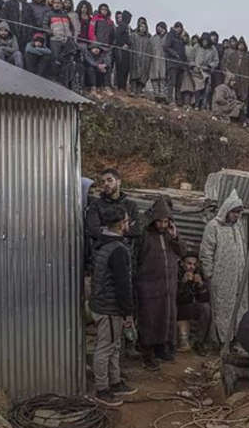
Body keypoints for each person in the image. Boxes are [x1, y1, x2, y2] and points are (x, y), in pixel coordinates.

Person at [89, 205, 137, 407]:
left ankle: (115, 382)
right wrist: (128, 312)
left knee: (114, 346)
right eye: (127, 221)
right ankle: (102, 389)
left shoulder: (102, 244)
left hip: (103, 304)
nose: (128, 224)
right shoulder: (118, 250)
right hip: (109, 308)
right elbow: (122, 285)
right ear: (120, 224)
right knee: (106, 348)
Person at [136, 198, 185, 371]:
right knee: (150, 320)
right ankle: (147, 355)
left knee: (166, 318)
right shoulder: (145, 235)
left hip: (167, 287)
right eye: (160, 221)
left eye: (166, 221)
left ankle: (162, 349)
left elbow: (183, 253)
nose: (163, 225)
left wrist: (175, 237)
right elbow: (136, 259)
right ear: (153, 220)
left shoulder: (169, 235)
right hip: (148, 286)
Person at [200, 191, 247, 347]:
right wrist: (209, 275)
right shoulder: (213, 227)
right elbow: (206, 253)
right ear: (227, 210)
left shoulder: (238, 227)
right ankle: (222, 341)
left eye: (239, 212)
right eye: (234, 212)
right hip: (221, 278)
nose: (237, 216)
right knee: (222, 310)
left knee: (238, 307)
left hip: (239, 277)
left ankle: (236, 339)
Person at [84, 168, 139, 256]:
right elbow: (93, 231)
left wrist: (107, 229)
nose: (106, 184)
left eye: (109, 180)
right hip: (103, 255)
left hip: (126, 254)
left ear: (119, 182)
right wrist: (124, 228)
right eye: (103, 182)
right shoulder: (96, 205)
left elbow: (136, 230)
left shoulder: (130, 205)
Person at [176, 252, 212, 355]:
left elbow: (205, 298)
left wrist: (200, 285)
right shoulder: (176, 273)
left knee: (206, 308)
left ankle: (199, 342)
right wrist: (183, 283)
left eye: (194, 264)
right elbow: (175, 297)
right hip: (179, 308)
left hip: (191, 307)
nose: (191, 267)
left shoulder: (198, 273)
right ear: (183, 263)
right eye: (189, 263)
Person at [163, 21, 188, 104]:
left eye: (180, 28)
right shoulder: (170, 35)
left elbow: (184, 50)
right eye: (177, 28)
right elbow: (166, 47)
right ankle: (169, 99)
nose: (179, 30)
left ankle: (178, 100)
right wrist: (174, 54)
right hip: (173, 63)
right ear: (175, 27)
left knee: (179, 84)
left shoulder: (181, 38)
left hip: (181, 65)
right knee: (172, 82)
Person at [223, 38, 249, 103]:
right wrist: (228, 74)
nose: (241, 46)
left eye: (242, 45)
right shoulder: (232, 55)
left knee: (243, 97)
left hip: (244, 80)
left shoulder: (248, 56)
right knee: (232, 94)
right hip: (233, 78)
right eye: (240, 44)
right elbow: (227, 66)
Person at [193, 32, 218, 109]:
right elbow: (191, 57)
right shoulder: (196, 47)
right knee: (198, 88)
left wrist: (210, 66)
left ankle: (203, 106)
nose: (204, 42)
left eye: (206, 41)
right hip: (197, 71)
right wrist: (193, 66)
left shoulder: (213, 49)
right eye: (203, 41)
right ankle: (196, 104)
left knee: (207, 90)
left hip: (207, 72)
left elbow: (216, 61)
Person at [128, 17, 151, 95]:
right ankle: (133, 90)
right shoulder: (134, 35)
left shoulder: (148, 38)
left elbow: (149, 50)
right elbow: (129, 44)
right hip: (135, 57)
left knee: (143, 74)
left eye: (144, 27)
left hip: (145, 59)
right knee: (134, 74)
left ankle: (140, 90)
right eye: (141, 26)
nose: (142, 28)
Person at [148, 21, 168, 101]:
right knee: (154, 78)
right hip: (154, 60)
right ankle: (156, 94)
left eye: (160, 27)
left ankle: (162, 94)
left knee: (163, 78)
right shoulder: (153, 38)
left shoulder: (167, 37)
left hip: (164, 60)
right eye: (157, 27)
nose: (158, 29)